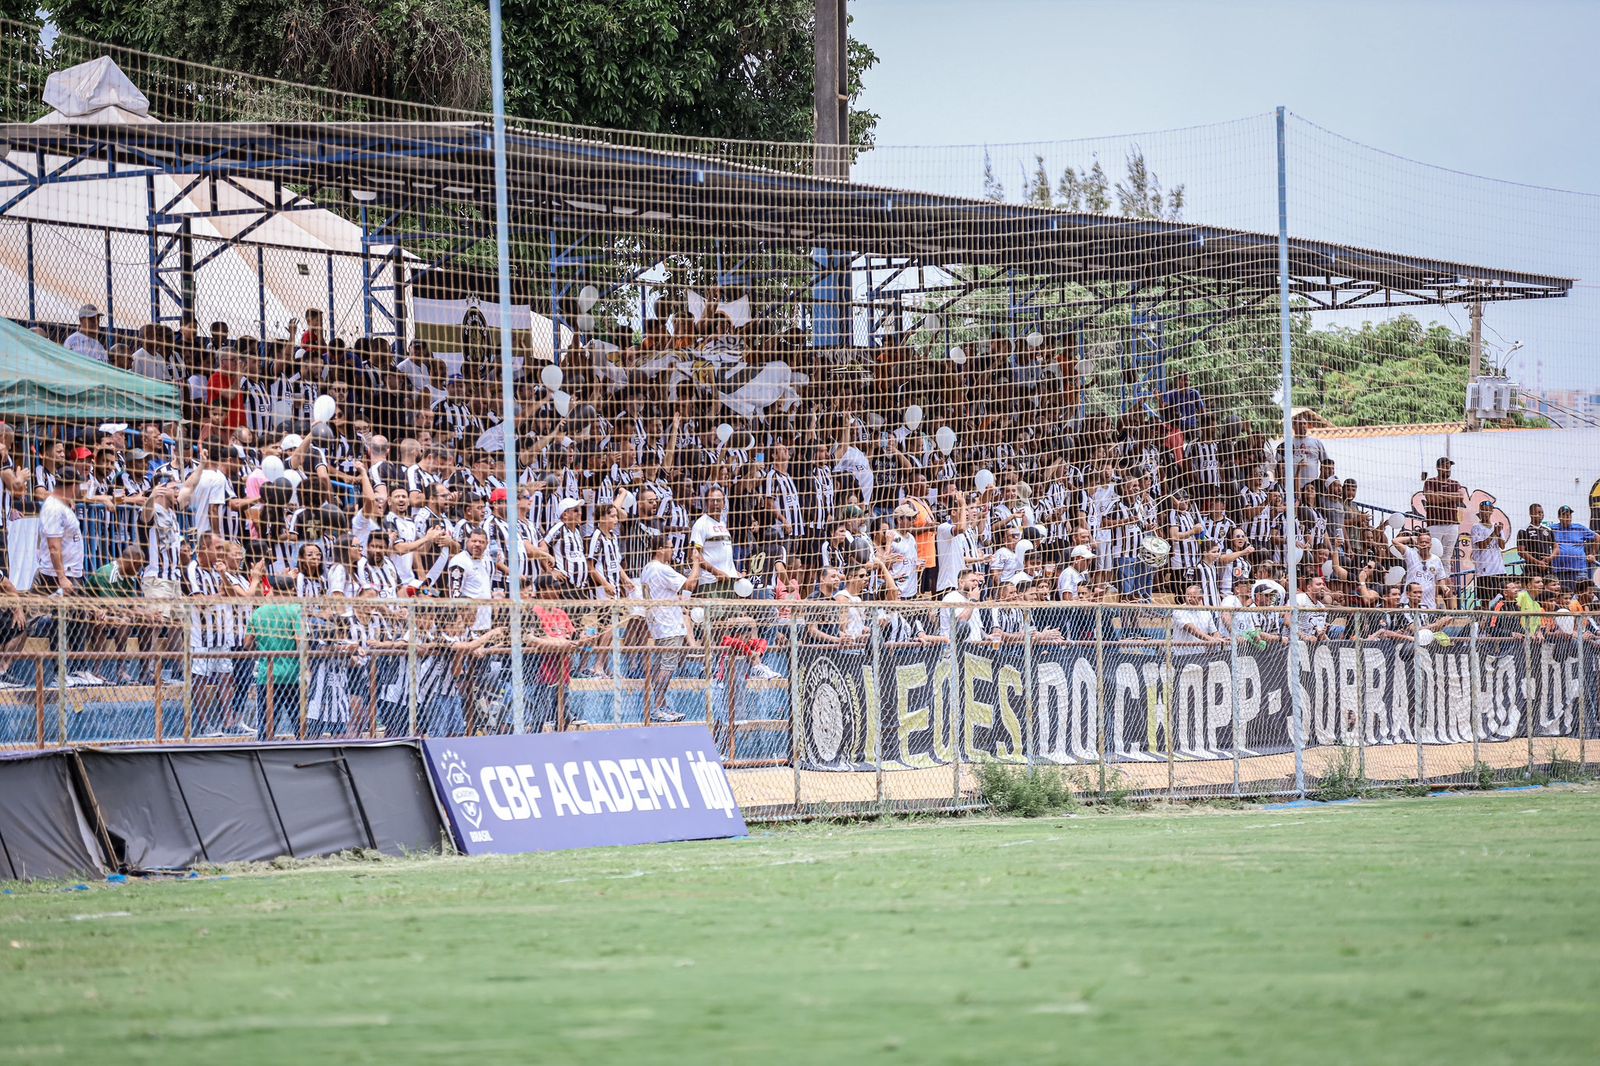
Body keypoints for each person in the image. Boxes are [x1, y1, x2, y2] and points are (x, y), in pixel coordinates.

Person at [1421, 457, 1468, 573]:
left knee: (1447, 557)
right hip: (1434, 523)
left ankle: (1445, 584)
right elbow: (1431, 499)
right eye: (1445, 467)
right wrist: (1452, 496)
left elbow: (1460, 497)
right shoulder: (1430, 482)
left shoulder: (1455, 483)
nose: (1448, 469)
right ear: (1438, 468)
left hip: (1452, 524)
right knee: (1432, 555)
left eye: (1449, 467)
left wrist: (1440, 494)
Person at [1549, 505, 1597, 593]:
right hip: (1560, 570)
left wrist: (1593, 554)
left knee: (1583, 594)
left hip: (1579, 569)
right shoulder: (1552, 529)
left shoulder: (1579, 527)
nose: (1568, 518)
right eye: (1565, 515)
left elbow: (1597, 538)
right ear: (1559, 517)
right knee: (1564, 596)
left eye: (1569, 515)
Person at [1468, 499, 1509, 604]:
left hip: (1499, 569)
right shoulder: (1476, 528)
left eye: (1487, 510)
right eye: (1482, 510)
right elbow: (1482, 545)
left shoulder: (1496, 526)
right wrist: (1494, 533)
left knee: (1503, 598)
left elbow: (1502, 546)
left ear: (1491, 511)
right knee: (1485, 601)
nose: (1484, 513)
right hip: (1484, 571)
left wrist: (1498, 533)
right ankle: (1486, 620)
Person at [1518, 504, 1554, 581]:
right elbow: (1521, 551)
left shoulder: (1548, 529)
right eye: (1538, 512)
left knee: (1549, 590)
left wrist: (1550, 557)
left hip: (1548, 567)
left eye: (1542, 512)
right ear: (1531, 514)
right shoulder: (1524, 530)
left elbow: (1556, 547)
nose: (1541, 515)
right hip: (1532, 569)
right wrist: (1538, 562)